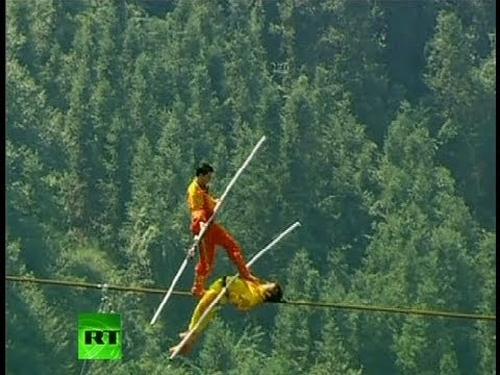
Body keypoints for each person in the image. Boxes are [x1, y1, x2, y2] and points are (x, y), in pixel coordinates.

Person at [186, 163, 258, 297]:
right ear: (201, 175)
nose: (210, 180)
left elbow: (207, 202)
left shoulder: (204, 187)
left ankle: (245, 274)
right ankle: (197, 288)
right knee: (207, 263)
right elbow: (197, 211)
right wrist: (201, 227)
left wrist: (215, 202)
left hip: (211, 227)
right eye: (208, 177)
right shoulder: (193, 191)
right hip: (203, 229)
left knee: (232, 246)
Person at [169, 275, 283, 355]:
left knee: (201, 312)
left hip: (221, 292)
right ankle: (186, 343)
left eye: (269, 286)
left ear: (269, 293)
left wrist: (234, 297)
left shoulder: (256, 297)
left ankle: (187, 339)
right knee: (202, 319)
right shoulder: (256, 286)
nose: (266, 283)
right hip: (219, 289)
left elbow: (243, 304)